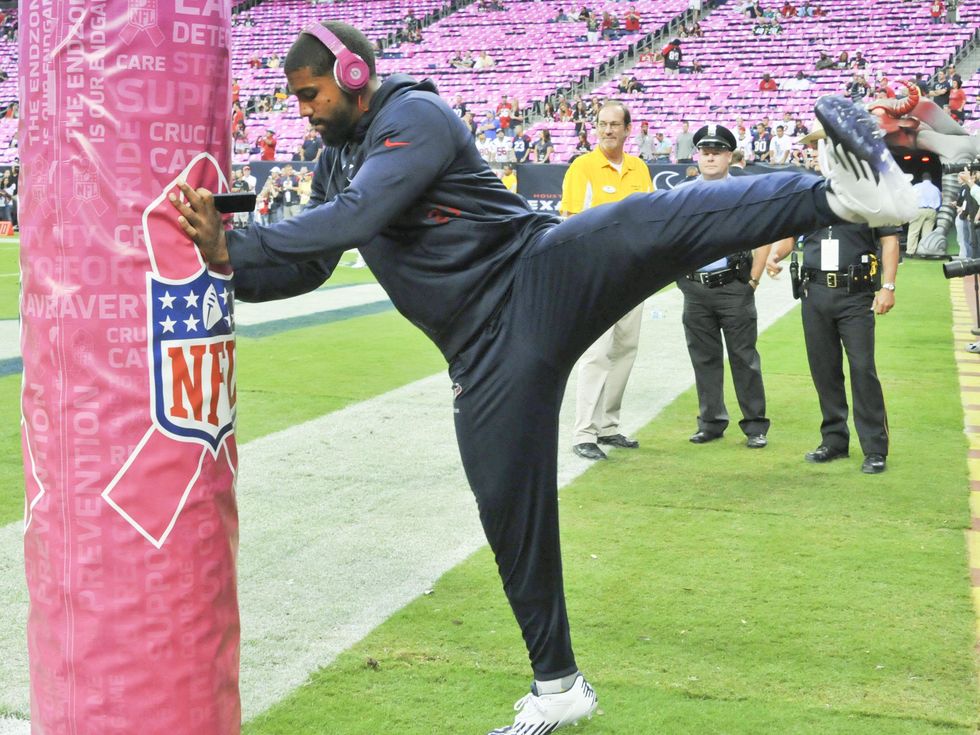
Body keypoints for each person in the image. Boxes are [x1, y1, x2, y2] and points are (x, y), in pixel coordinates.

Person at [169, 21, 917, 734]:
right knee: (508, 511)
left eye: (310, 95)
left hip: (534, 276)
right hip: (479, 351)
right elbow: (309, 264)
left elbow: (359, 216)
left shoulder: (417, 115)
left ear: (354, 75)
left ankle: (834, 197)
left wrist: (243, 239)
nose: (303, 112)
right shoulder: (335, 157)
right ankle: (558, 685)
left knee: (647, 221)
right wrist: (227, 266)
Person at [766, 216, 898, 474]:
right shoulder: (811, 196)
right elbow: (790, 236)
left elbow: (889, 239)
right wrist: (775, 255)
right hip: (814, 292)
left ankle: (874, 448)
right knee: (823, 369)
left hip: (855, 294)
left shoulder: (871, 194)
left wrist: (888, 286)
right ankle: (834, 440)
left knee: (862, 368)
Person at [560, 102, 652, 461]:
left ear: (629, 129)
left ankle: (609, 426)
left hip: (633, 274)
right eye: (602, 124)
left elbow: (648, 219)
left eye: (615, 124)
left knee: (626, 351)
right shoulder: (582, 166)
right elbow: (569, 223)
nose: (608, 130)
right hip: (597, 274)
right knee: (596, 354)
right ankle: (584, 432)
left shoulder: (639, 168)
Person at [676, 124, 772, 448]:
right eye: (705, 152)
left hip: (734, 285)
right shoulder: (683, 193)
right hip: (696, 289)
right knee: (704, 359)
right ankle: (711, 422)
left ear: (729, 156)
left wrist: (753, 281)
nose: (711, 157)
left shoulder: (745, 193)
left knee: (744, 358)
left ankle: (755, 425)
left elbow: (764, 239)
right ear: (698, 155)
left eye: (717, 152)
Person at [906, 171, 941, 256]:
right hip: (932, 211)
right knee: (927, 233)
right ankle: (924, 252)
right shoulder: (936, 188)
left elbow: (910, 198)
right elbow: (939, 202)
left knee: (914, 232)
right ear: (931, 179)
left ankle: (910, 252)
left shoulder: (917, 186)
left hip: (919, 210)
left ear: (922, 179)